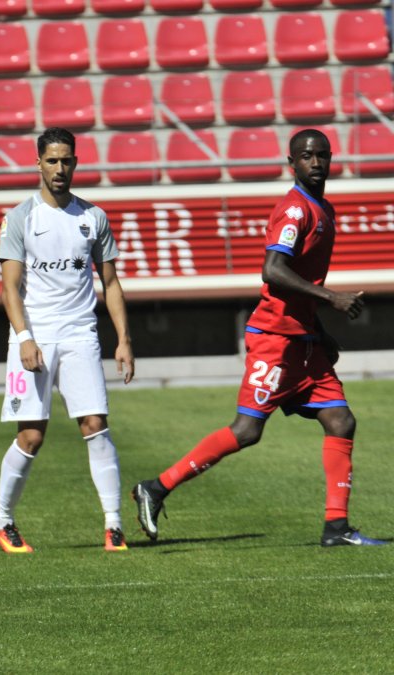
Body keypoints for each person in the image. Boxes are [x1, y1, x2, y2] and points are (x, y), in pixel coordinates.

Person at [132, 129, 386, 548]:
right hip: (275, 340)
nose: (316, 162)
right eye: (307, 156)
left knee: (341, 420)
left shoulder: (324, 209)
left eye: (322, 155)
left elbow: (300, 281)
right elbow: (273, 271)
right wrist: (332, 299)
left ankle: (337, 528)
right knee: (247, 430)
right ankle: (156, 488)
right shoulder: (294, 211)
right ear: (292, 163)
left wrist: (321, 334)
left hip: (302, 340)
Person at [0, 127, 135, 554]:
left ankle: (113, 525)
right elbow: (10, 288)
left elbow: (111, 284)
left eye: (66, 160)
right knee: (32, 436)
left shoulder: (94, 218)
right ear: (38, 163)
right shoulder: (20, 217)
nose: (60, 168)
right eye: (52, 160)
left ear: (76, 163)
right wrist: (25, 338)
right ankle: (2, 521)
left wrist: (123, 340)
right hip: (33, 338)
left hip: (80, 334)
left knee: (95, 425)